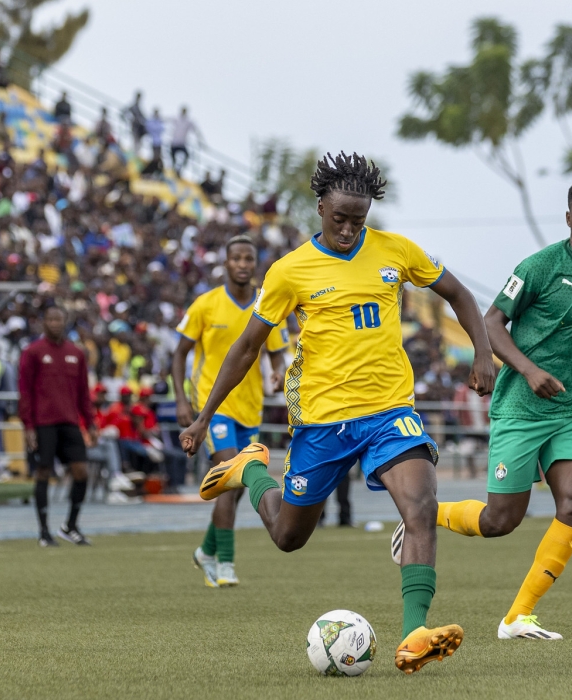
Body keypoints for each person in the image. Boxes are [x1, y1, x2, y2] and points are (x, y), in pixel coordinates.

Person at [179, 152, 497, 673]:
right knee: (288, 537)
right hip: (322, 420)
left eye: (359, 220)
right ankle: (250, 470)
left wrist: (483, 353)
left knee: (420, 508)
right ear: (321, 208)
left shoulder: (397, 251)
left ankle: (414, 633)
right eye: (340, 218)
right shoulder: (289, 271)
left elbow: (458, 294)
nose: (349, 229)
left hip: (389, 411)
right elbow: (246, 347)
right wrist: (202, 415)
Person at [404, 178, 572, 641]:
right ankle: (426, 513)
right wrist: (530, 371)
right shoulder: (539, 266)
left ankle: (518, 617)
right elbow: (492, 323)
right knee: (500, 521)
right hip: (520, 408)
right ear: (568, 218)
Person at [172, 234, 289, 588]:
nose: (242, 264)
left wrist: (278, 371)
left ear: (255, 264)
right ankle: (224, 564)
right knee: (232, 476)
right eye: (236, 258)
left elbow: (277, 351)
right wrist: (182, 401)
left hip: (250, 409)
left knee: (236, 487)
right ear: (226, 263)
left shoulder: (267, 302)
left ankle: (206, 551)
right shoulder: (206, 304)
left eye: (248, 258)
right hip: (213, 407)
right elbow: (179, 353)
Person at [19, 306, 96, 547]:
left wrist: (90, 423)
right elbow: (25, 391)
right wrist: (28, 426)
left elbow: (83, 392)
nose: (55, 323)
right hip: (43, 423)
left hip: (70, 422)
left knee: (81, 472)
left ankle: (70, 526)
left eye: (59, 319)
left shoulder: (77, 353)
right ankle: (44, 531)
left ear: (65, 322)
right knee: (43, 472)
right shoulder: (33, 352)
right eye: (51, 319)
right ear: (43, 323)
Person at [168, 106, 199, 175]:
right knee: (173, 157)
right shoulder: (176, 118)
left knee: (186, 156)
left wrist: (200, 140)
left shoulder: (188, 121)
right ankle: (174, 169)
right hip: (174, 142)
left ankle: (179, 169)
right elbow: (168, 120)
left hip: (182, 144)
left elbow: (195, 130)